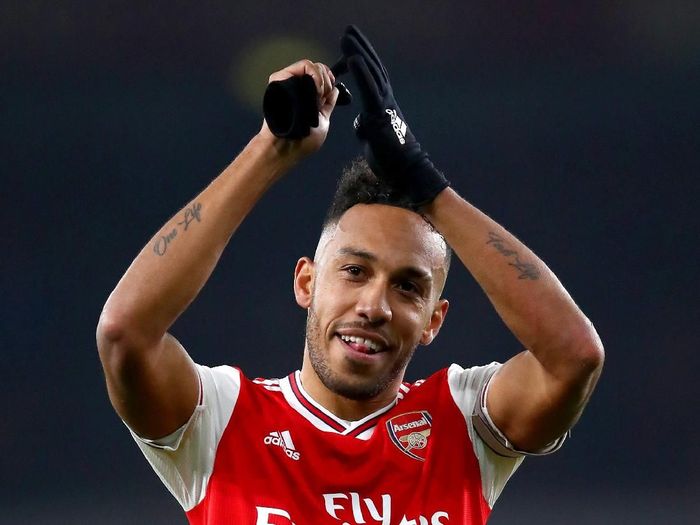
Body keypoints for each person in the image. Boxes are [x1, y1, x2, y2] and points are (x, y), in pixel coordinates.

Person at [96, 26, 604, 524]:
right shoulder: (222, 420)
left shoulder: (463, 421)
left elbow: (574, 356)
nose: (374, 306)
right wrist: (269, 151)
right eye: (355, 271)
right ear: (306, 282)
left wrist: (428, 187)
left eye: (408, 286)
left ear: (434, 321)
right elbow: (125, 332)